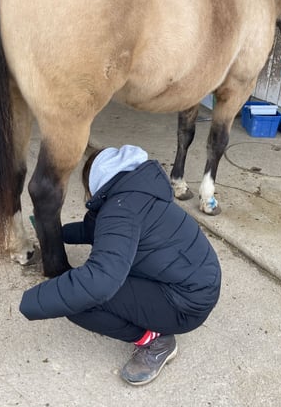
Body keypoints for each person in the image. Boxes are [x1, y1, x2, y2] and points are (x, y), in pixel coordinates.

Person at [20, 145, 221, 385]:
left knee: (78, 303)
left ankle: (156, 342)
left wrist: (32, 301)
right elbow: (93, 231)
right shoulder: (137, 192)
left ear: (94, 181)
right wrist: (57, 233)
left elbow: (99, 282)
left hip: (185, 305)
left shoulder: (120, 211)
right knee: (98, 277)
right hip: (196, 282)